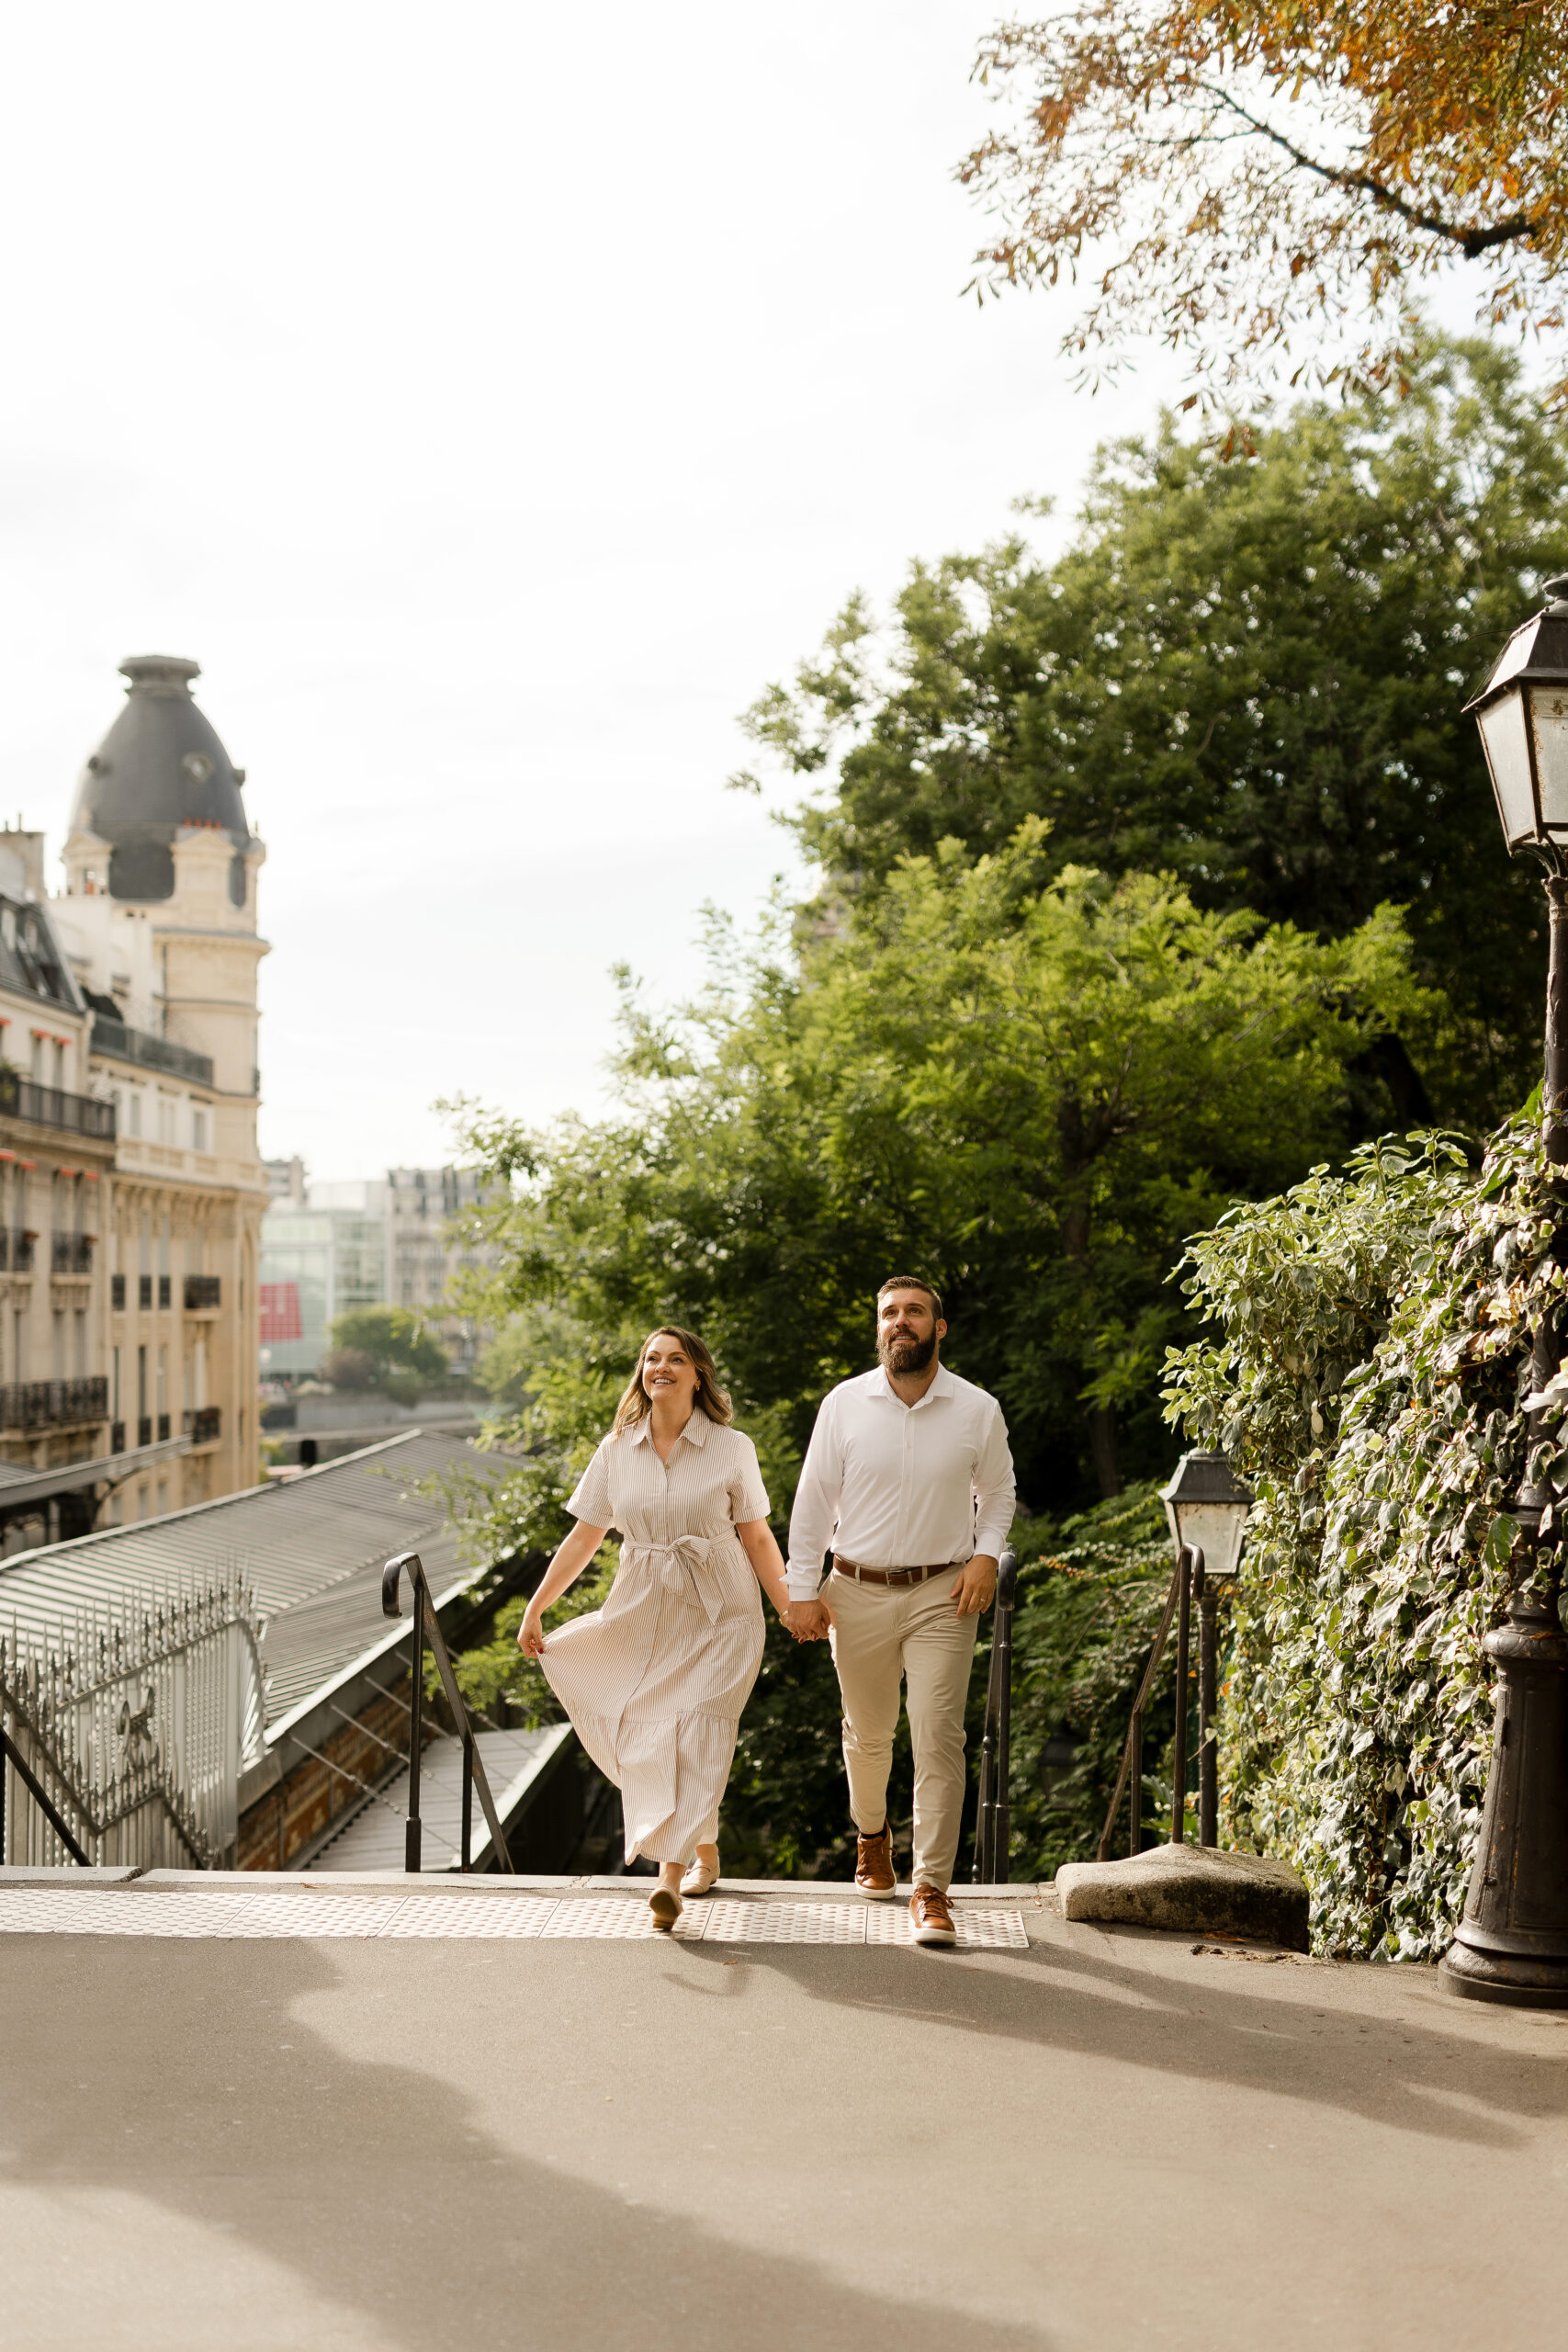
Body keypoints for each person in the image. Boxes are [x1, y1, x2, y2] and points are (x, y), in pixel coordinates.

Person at [518, 1325, 795, 1929]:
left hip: (722, 1612)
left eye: (674, 1359)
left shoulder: (730, 1447)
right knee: (650, 1731)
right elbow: (584, 1537)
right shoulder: (616, 1451)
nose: (660, 1367)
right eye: (651, 1358)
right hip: (643, 1612)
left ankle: (667, 1876)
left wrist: (788, 1605)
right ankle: (701, 1848)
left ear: (699, 1375)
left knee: (696, 1728)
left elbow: (756, 1534)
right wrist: (536, 1606)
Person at [784, 1277, 1016, 1948]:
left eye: (914, 1312)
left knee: (938, 1733)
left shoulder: (976, 1409)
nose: (901, 1322)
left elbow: (998, 1495)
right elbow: (812, 1501)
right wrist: (803, 1588)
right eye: (889, 1313)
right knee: (867, 1733)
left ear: (939, 1328)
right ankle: (871, 1834)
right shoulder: (843, 1405)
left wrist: (985, 1557)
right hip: (852, 1591)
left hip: (943, 1594)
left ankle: (931, 1889)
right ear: (878, 1329)